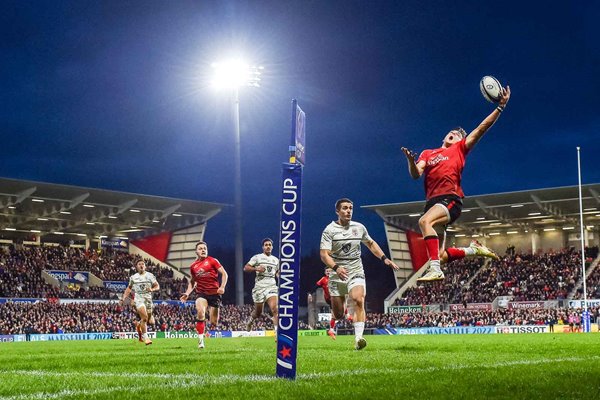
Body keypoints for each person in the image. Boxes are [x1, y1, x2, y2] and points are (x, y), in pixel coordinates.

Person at [401, 86, 511, 282]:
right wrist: (410, 161)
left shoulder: (460, 149)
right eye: (451, 132)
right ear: (444, 137)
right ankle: (472, 249)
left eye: (459, 134)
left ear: (461, 140)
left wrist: (500, 107)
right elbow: (416, 174)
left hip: (450, 199)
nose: (454, 133)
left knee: (424, 222)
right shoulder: (428, 153)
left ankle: (435, 269)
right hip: (432, 202)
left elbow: (481, 128)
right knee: (441, 255)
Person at [320, 198, 399, 350]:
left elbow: (370, 243)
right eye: (344, 208)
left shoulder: (359, 227)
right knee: (338, 314)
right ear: (337, 211)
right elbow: (324, 254)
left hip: (355, 270)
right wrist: (336, 267)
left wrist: (385, 259)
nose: (348, 211)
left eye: (350, 208)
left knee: (358, 299)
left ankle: (358, 339)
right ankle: (340, 316)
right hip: (337, 274)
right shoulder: (329, 230)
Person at [180, 241, 228, 349]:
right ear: (196, 252)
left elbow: (224, 274)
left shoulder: (212, 261)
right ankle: (201, 342)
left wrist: (222, 287)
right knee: (201, 312)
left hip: (215, 294)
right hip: (201, 293)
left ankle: (207, 332)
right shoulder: (193, 266)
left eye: (204, 248)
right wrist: (187, 293)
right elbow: (193, 282)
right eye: (200, 248)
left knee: (214, 322)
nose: (203, 250)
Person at [244, 238, 279, 333]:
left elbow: (277, 272)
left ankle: (277, 333)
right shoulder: (257, 257)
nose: (268, 246)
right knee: (258, 313)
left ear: (272, 247)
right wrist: (256, 268)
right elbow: (246, 268)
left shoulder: (276, 260)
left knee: (275, 309)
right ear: (263, 247)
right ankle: (250, 321)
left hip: (271, 286)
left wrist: (279, 275)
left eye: (269, 245)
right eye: (266, 245)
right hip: (259, 287)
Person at [120, 259, 159, 345]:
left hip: (148, 300)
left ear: (145, 266)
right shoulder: (133, 277)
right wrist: (123, 298)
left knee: (151, 322)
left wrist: (152, 289)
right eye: (139, 264)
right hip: (139, 299)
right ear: (136, 267)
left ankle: (139, 325)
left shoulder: (150, 276)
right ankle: (146, 338)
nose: (141, 265)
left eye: (143, 264)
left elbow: (157, 286)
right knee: (144, 318)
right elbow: (129, 288)